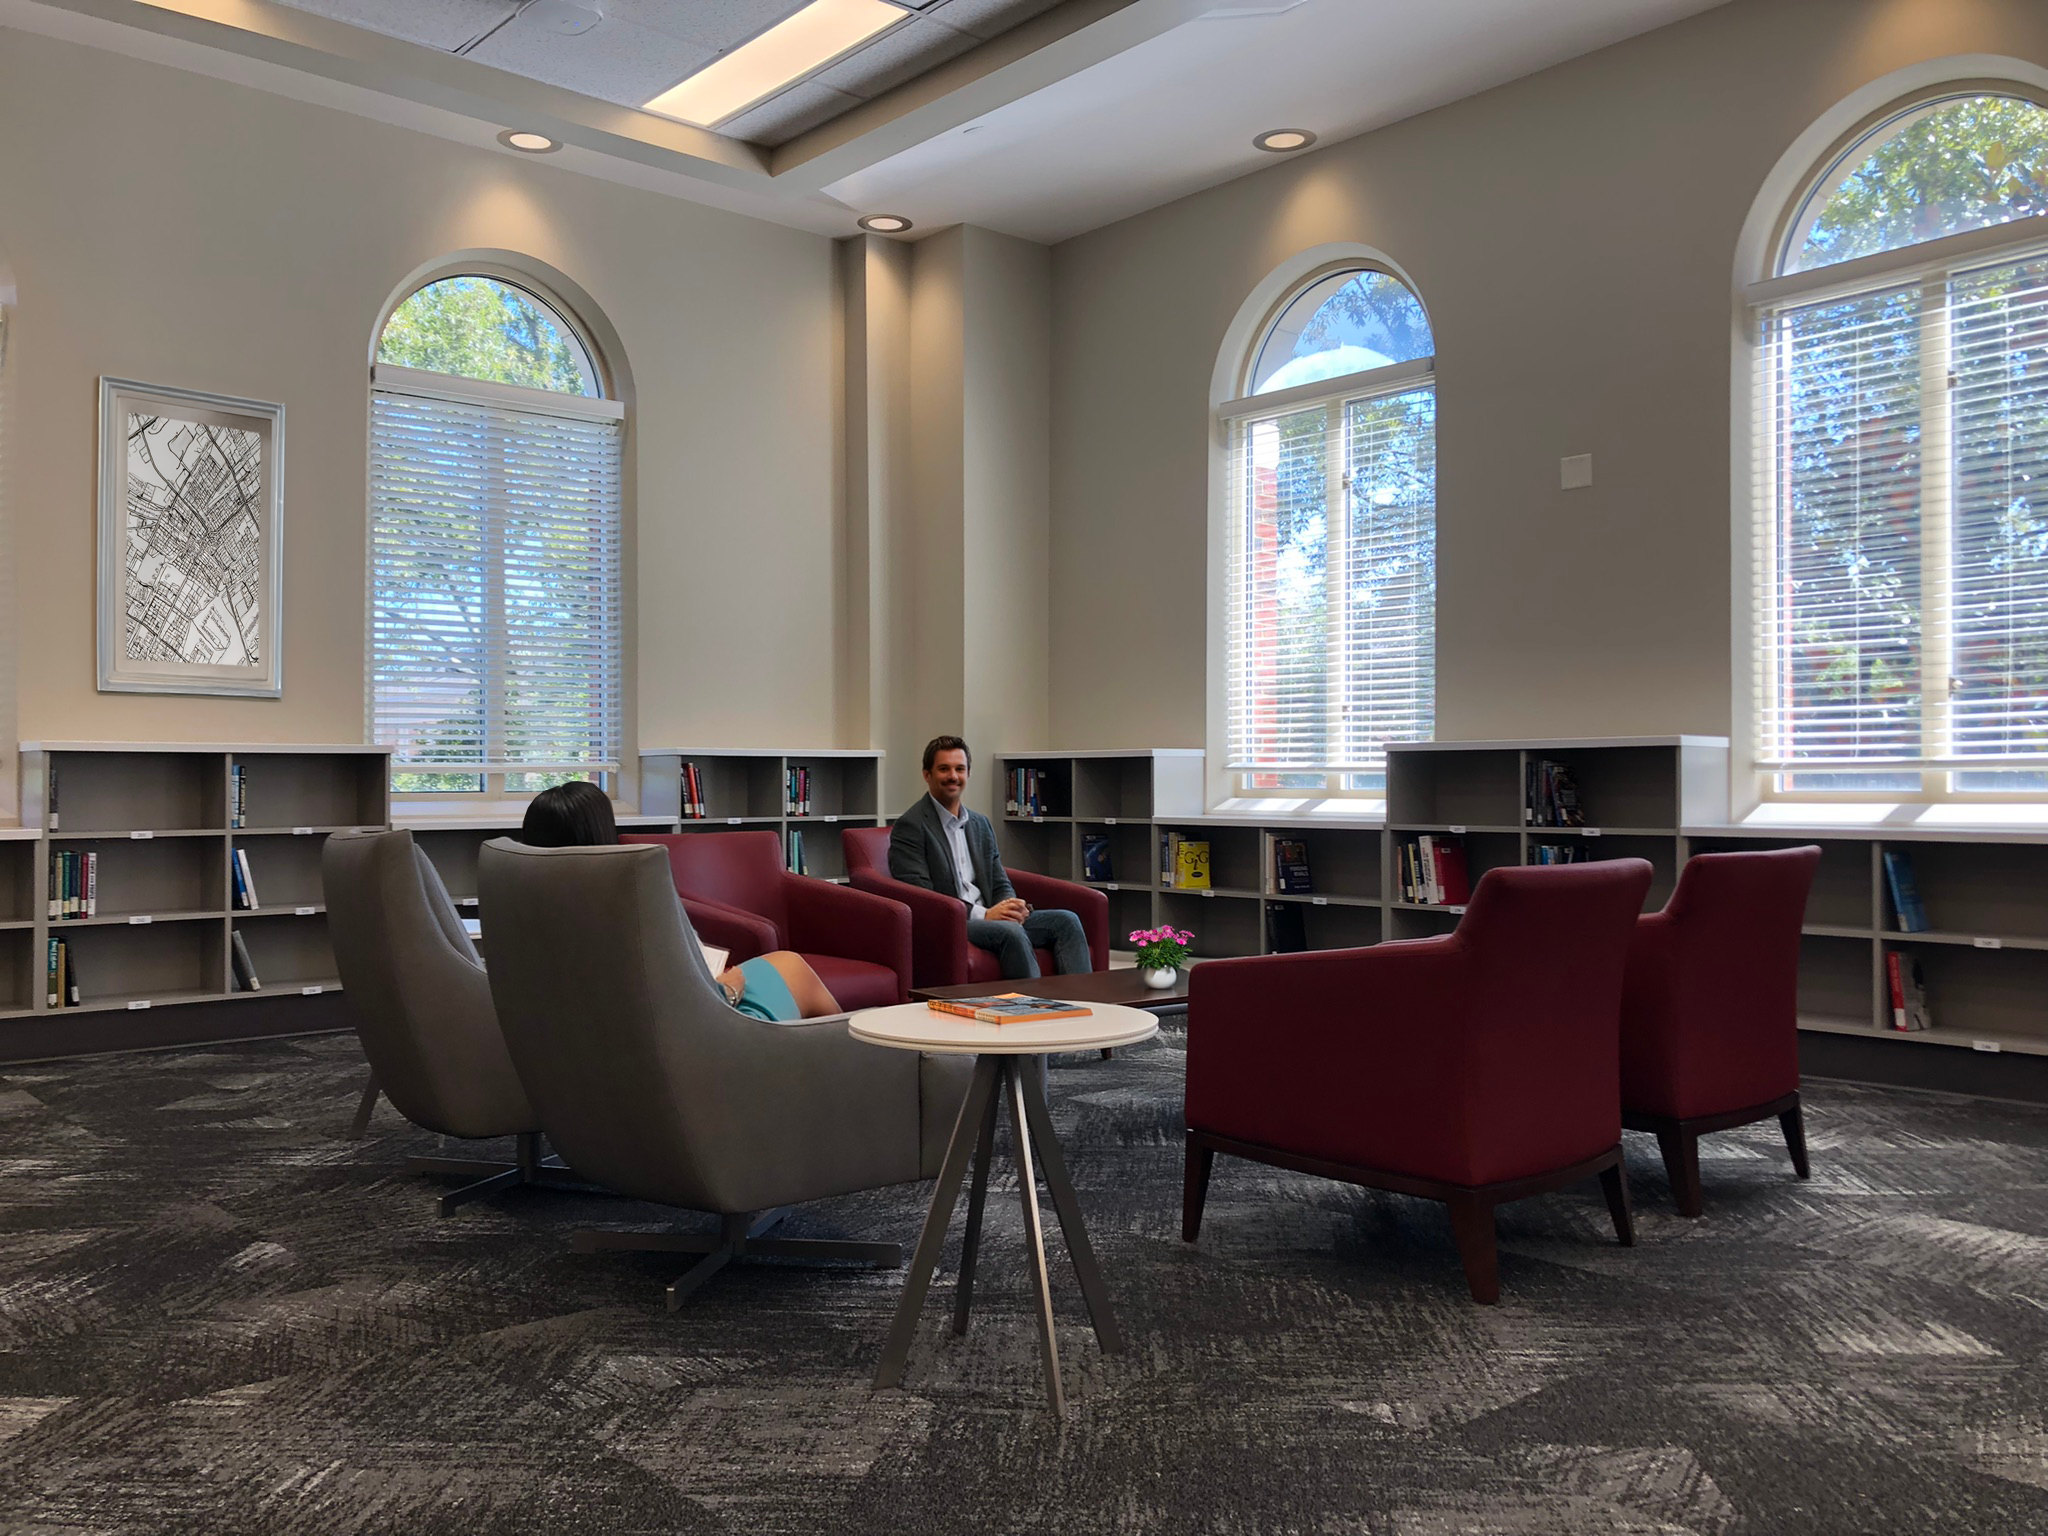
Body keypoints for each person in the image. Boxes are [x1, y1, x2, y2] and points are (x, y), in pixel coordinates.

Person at [518, 780, 838, 1021]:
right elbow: (667, 995)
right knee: (793, 967)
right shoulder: (623, 900)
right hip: (695, 1034)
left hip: (590, 1034)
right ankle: (848, 1066)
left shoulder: (524, 899)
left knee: (782, 960)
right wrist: (728, 988)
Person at [889, 735, 1090, 980]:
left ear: (968, 774)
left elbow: (999, 880)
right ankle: (1033, 1011)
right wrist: (984, 915)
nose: (953, 776)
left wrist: (1010, 907)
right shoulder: (911, 826)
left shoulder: (980, 823)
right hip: (954, 923)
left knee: (1067, 922)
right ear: (927, 775)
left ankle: (1084, 1007)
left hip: (992, 915)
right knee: (1011, 932)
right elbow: (922, 896)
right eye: (944, 769)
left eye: (959, 769)